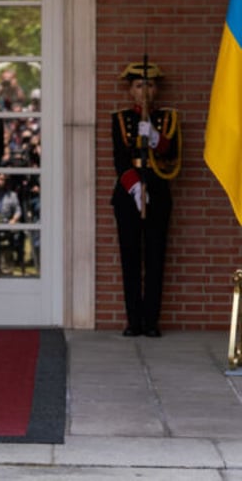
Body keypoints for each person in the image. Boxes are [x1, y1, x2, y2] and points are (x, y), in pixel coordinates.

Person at [111, 62, 181, 338]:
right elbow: (119, 159)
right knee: (130, 257)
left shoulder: (168, 119)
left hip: (158, 191)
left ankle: (151, 321)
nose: (145, 91)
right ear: (130, 90)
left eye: (150, 85)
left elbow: (173, 152)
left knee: (155, 257)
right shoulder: (120, 118)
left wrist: (154, 137)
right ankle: (133, 321)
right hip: (130, 194)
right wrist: (135, 188)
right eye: (139, 85)